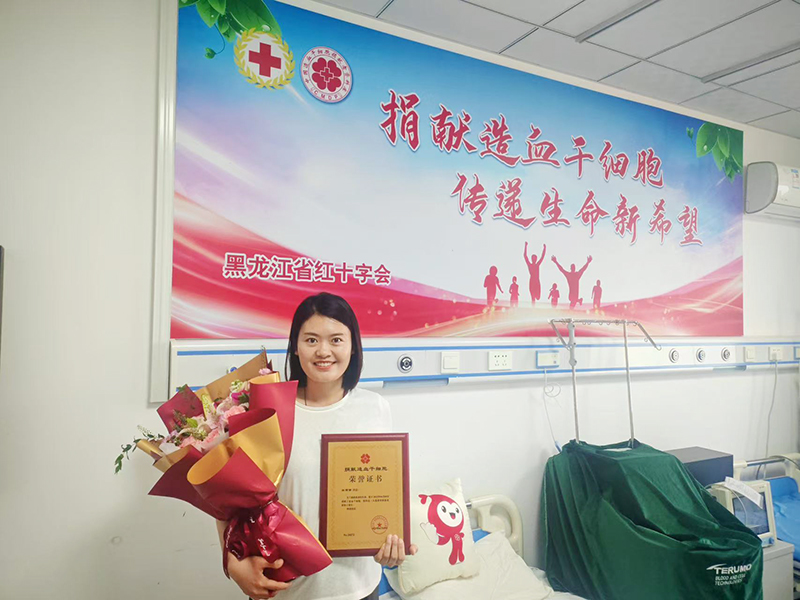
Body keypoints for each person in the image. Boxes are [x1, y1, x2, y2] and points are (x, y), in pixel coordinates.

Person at [221, 293, 416, 600]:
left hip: (358, 588)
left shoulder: (375, 407)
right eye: (311, 340)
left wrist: (391, 540)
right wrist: (234, 564)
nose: (323, 351)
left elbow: (382, 490)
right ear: (295, 347)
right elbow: (227, 498)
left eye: (336, 340)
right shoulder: (268, 410)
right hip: (283, 589)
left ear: (353, 346)